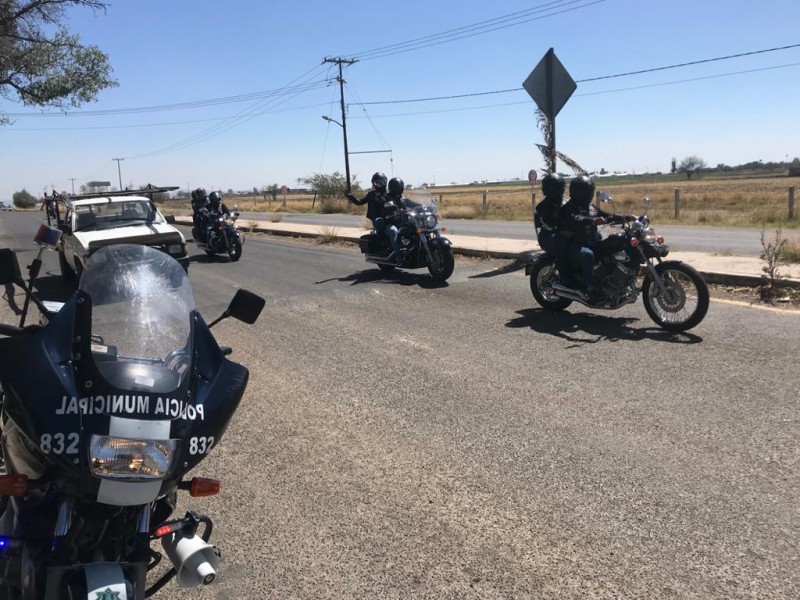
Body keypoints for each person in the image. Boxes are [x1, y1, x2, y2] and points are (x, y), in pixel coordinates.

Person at [558, 175, 623, 299]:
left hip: (590, 240)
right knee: (587, 255)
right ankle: (588, 287)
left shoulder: (590, 207)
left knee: (609, 248)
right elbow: (578, 218)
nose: (590, 195)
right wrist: (592, 220)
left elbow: (606, 215)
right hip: (574, 244)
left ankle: (607, 279)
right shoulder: (569, 208)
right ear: (578, 192)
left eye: (591, 191)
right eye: (587, 192)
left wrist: (626, 217)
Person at [346, 172, 392, 248]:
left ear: (385, 182)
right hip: (377, 218)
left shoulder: (388, 194)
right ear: (373, 183)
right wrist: (352, 197)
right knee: (379, 223)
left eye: (381, 182)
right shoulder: (371, 194)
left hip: (389, 217)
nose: (379, 185)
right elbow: (360, 202)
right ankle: (381, 244)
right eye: (376, 183)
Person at [533, 173, 567, 271]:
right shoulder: (543, 207)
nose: (563, 189)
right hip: (548, 238)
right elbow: (546, 225)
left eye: (563, 186)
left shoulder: (565, 203)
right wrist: (561, 231)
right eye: (560, 187)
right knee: (565, 245)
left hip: (563, 235)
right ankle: (564, 272)